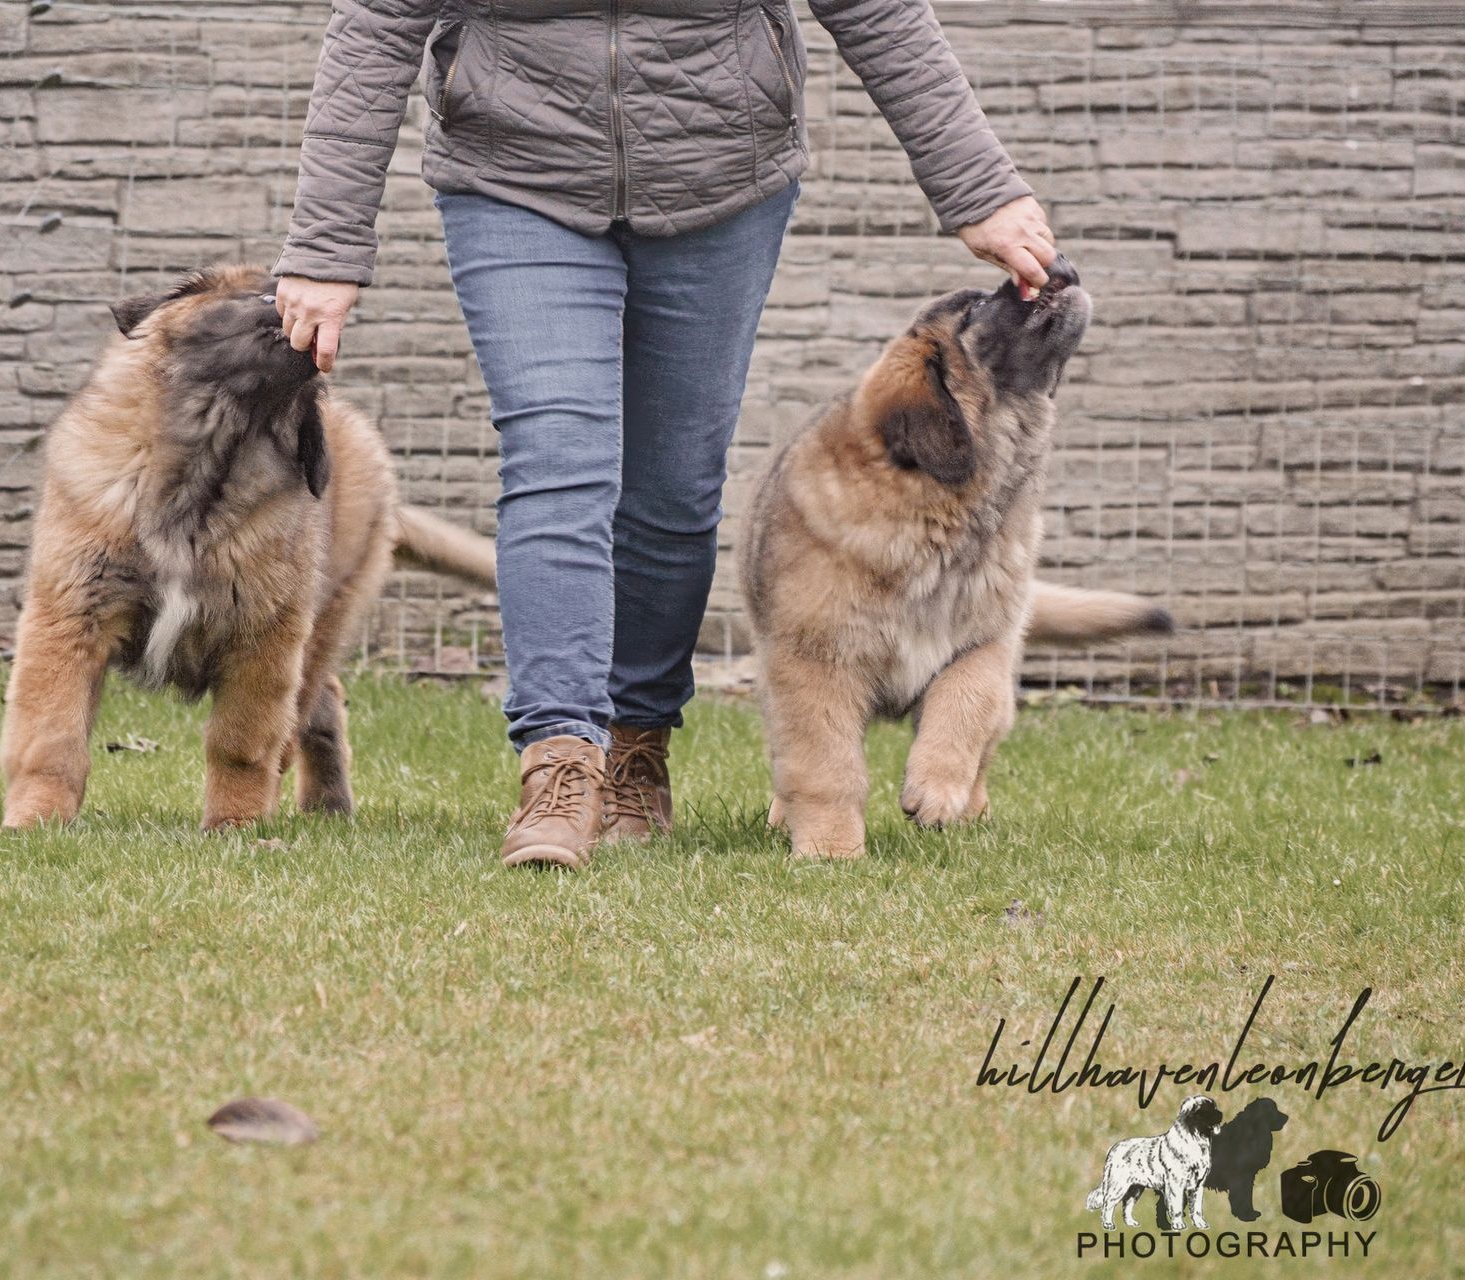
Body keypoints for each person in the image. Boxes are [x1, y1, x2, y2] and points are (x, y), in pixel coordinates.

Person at [273, 0, 1057, 870]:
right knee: (556, 452)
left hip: (718, 173)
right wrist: (324, 244)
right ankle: (560, 764)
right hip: (512, 172)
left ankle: (636, 745)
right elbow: (379, 17)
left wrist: (978, 186)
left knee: (674, 486)